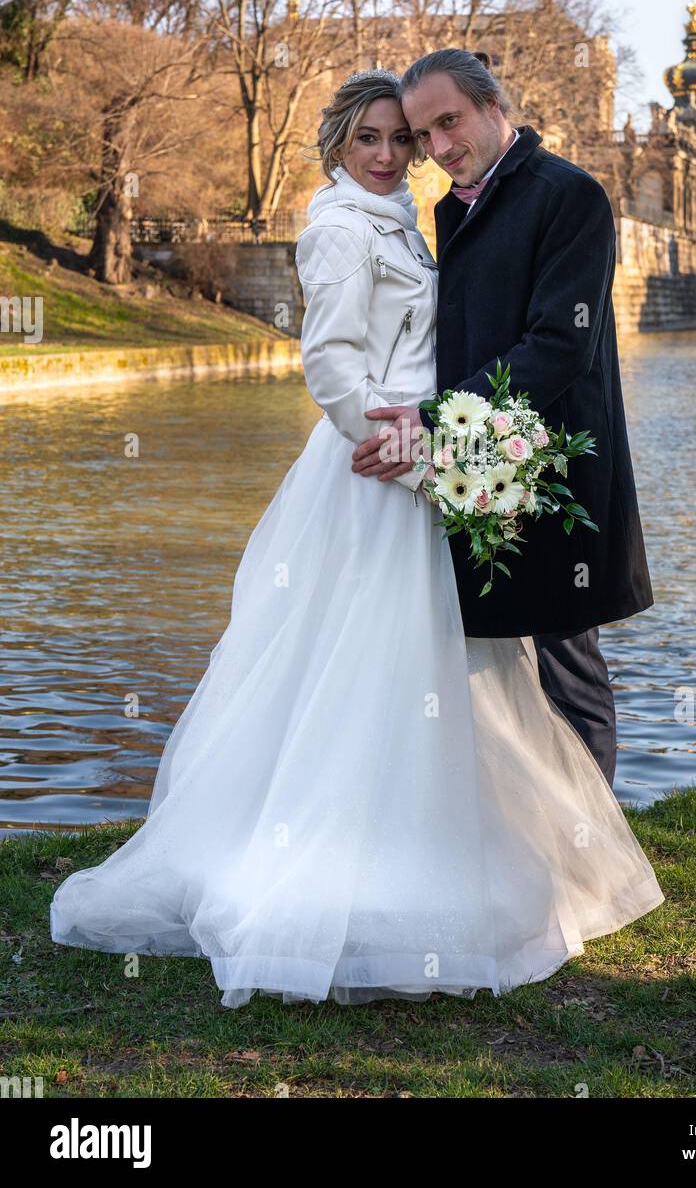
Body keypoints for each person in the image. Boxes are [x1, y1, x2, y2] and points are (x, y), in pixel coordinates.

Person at [49, 69, 664, 1010]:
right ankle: (374, 865)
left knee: (494, 667)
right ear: (337, 140)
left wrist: (441, 439)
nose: (398, 152)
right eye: (377, 137)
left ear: (489, 111)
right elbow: (330, 362)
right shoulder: (345, 224)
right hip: (390, 470)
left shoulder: (502, 203)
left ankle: (546, 844)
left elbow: (544, 344)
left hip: (456, 458)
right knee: (378, 670)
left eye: (412, 135)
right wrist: (402, 444)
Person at [350, 50, 654, 786]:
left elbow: (559, 347)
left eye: (447, 122)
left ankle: (593, 856)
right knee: (484, 666)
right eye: (422, 135)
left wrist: (434, 422)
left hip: (554, 463)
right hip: (472, 464)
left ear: (492, 106)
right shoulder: (448, 208)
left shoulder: (570, 194)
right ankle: (510, 838)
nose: (438, 147)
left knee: (565, 665)